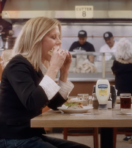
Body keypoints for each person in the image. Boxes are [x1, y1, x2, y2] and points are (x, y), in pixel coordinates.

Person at [0, 17, 89, 148]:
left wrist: (64, 72)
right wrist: (53, 68)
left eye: (59, 37)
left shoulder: (37, 67)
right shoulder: (18, 65)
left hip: (31, 135)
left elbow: (54, 103)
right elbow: (33, 103)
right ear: (36, 40)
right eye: (54, 37)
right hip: (13, 138)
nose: (59, 42)